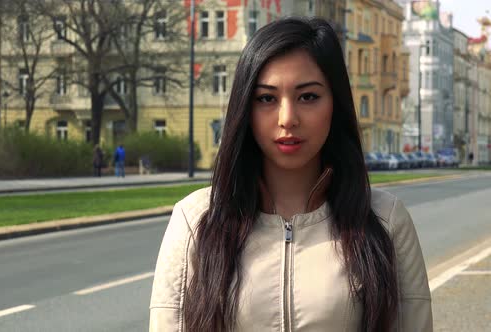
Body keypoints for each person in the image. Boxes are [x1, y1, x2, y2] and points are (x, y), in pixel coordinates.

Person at [149, 18, 432, 332]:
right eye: (266, 99)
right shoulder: (195, 221)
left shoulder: (386, 220)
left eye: (308, 96)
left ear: (335, 104)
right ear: (245, 108)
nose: (287, 118)